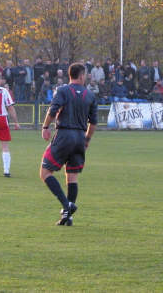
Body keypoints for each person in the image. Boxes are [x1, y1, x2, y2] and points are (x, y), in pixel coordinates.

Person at [40, 63, 97, 226]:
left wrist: (45, 127)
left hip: (65, 135)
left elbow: (53, 110)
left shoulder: (63, 90)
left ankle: (67, 207)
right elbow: (93, 124)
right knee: (72, 176)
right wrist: (87, 140)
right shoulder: (90, 95)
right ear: (81, 76)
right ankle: (68, 218)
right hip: (80, 136)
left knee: (45, 172)